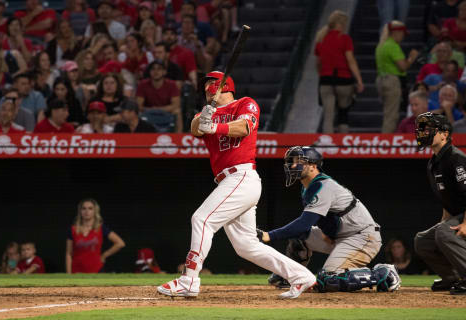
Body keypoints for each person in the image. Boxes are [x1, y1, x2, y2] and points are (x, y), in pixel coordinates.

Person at [157, 71, 317, 299]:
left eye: (211, 83)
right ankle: (302, 276)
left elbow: (244, 127)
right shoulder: (207, 112)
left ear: (225, 85)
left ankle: (189, 279)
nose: (206, 88)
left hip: (241, 177)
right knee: (246, 246)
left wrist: (214, 126)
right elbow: (195, 129)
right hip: (229, 181)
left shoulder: (245, 103)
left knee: (201, 219)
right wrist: (203, 117)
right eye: (205, 85)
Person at [256, 146, 401, 293]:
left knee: (328, 280)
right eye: (292, 162)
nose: (293, 166)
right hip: (340, 236)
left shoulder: (323, 187)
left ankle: (384, 274)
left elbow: (304, 224)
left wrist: (269, 235)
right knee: (298, 239)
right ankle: (292, 276)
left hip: (362, 237)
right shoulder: (308, 187)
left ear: (313, 166)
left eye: (298, 161)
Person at [414, 112, 466, 294]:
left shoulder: (456, 157)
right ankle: (451, 277)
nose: (423, 132)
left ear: (444, 134)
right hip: (458, 215)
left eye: (429, 129)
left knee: (444, 232)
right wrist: (442, 226)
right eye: (422, 129)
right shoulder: (434, 163)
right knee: (423, 240)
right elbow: (447, 201)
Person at [314, 10, 364, 133]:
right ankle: (342, 142)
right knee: (343, 111)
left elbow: (318, 63)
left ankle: (327, 143)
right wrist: (359, 80)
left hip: (325, 80)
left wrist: (322, 73)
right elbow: (350, 60)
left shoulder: (321, 39)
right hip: (343, 80)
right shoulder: (345, 39)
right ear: (341, 24)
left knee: (328, 115)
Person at [376, 20, 419, 133]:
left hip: (381, 80)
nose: (403, 37)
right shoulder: (393, 46)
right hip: (392, 81)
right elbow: (403, 66)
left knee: (388, 113)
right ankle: (386, 144)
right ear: (396, 33)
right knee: (392, 115)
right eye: (403, 34)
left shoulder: (381, 45)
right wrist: (411, 58)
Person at [66, 198, 126, 273]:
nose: (87, 211)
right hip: (77, 270)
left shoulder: (101, 228)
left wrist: (104, 255)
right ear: (80, 211)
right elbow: (69, 253)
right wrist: (68, 273)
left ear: (95, 211)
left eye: (90, 208)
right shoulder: (73, 229)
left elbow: (120, 243)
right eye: (84, 208)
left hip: (96, 269)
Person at [136, 60, 181, 132]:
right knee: (135, 113)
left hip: (166, 112)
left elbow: (175, 105)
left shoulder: (172, 85)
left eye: (159, 69)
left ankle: (178, 138)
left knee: (177, 111)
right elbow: (138, 105)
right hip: (148, 112)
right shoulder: (142, 85)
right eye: (153, 69)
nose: (156, 72)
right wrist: (151, 110)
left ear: (164, 72)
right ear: (149, 72)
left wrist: (158, 109)